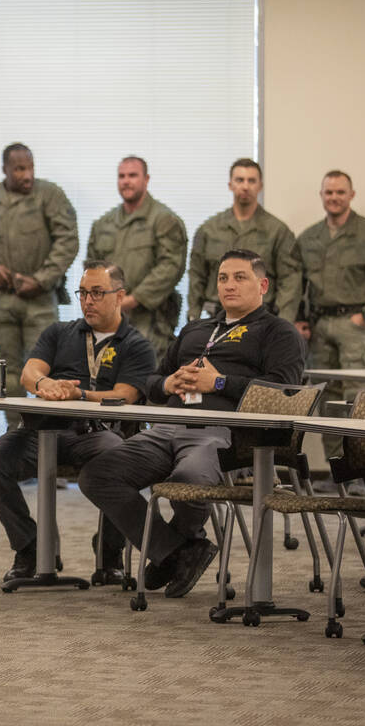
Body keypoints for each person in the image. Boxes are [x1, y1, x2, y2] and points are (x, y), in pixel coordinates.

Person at [79, 249, 307, 598]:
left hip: (223, 434)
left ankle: (178, 548)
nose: (229, 285)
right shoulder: (196, 330)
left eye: (240, 277)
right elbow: (152, 382)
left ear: (262, 285)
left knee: (188, 478)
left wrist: (218, 383)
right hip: (168, 426)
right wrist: (169, 384)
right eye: (222, 278)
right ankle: (178, 551)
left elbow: (284, 392)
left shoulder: (278, 333)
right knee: (97, 475)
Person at [0, 261, 155, 581]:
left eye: (98, 293)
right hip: (42, 428)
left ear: (119, 296)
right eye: (83, 293)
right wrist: (46, 386)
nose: (88, 301)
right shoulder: (59, 332)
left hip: (95, 433)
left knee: (121, 459)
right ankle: (30, 547)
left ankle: (109, 554)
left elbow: (125, 395)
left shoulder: (136, 345)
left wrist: (80, 396)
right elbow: (31, 373)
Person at [0, 143, 79, 430]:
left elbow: (68, 240)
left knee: (48, 371)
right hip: (2, 301)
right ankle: (17, 440)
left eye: (31, 167)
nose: (27, 175)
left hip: (40, 299)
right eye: (19, 169)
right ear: (5, 170)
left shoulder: (50, 195)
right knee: (8, 375)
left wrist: (41, 278)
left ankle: (51, 451)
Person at [296, 170, 365, 456]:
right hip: (320, 326)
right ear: (321, 196)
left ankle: (361, 470)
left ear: (352, 195)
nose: (334, 197)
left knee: (358, 398)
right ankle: (338, 469)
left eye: (340, 192)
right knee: (328, 399)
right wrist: (300, 318)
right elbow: (296, 283)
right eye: (329, 192)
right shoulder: (309, 238)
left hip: (356, 327)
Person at [87, 156, 188, 360]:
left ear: (146, 179)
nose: (126, 181)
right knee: (107, 381)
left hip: (150, 321)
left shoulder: (164, 220)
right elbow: (91, 271)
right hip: (109, 320)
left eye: (133, 175)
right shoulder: (104, 224)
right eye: (121, 176)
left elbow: (171, 267)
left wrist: (132, 299)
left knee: (147, 383)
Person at [187, 159, 302, 322]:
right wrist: (193, 318)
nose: (245, 186)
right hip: (217, 318)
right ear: (230, 184)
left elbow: (290, 281)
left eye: (251, 181)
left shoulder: (277, 231)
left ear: (260, 186)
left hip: (261, 320)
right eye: (240, 180)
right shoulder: (208, 230)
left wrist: (283, 325)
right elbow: (197, 277)